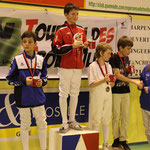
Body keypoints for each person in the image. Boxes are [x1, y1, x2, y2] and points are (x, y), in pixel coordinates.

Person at [6, 31, 48, 150]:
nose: (27, 44)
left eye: (30, 42)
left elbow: (45, 77)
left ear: (35, 44)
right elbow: (9, 79)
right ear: (22, 44)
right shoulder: (17, 60)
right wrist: (24, 81)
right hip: (23, 98)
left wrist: (42, 82)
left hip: (38, 98)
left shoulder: (41, 59)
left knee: (42, 124)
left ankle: (44, 148)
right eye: (24, 42)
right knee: (25, 125)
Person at [52, 3, 88, 133]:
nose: (76, 16)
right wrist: (71, 46)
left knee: (75, 93)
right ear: (66, 15)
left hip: (78, 67)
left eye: (77, 14)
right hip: (65, 67)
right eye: (73, 14)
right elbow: (56, 49)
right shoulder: (60, 30)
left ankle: (72, 120)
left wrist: (85, 46)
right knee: (63, 93)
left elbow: (83, 48)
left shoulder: (81, 30)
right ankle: (64, 121)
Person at [109, 36, 141, 150]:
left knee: (125, 117)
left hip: (126, 90)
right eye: (127, 48)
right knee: (116, 116)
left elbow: (124, 73)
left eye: (130, 49)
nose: (129, 51)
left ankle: (123, 140)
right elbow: (117, 75)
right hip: (116, 91)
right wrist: (133, 81)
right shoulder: (113, 57)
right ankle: (116, 139)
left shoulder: (127, 59)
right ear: (120, 48)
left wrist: (129, 71)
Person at [88, 43, 115, 150]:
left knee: (107, 118)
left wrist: (112, 81)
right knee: (96, 119)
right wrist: (104, 80)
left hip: (108, 93)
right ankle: (95, 145)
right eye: (108, 53)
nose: (109, 56)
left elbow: (111, 84)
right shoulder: (92, 66)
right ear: (101, 53)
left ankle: (105, 144)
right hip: (97, 94)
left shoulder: (109, 66)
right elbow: (91, 84)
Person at [138, 64, 150, 144]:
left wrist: (149, 89)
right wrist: (140, 86)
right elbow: (141, 81)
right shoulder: (146, 68)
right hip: (145, 104)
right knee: (147, 131)